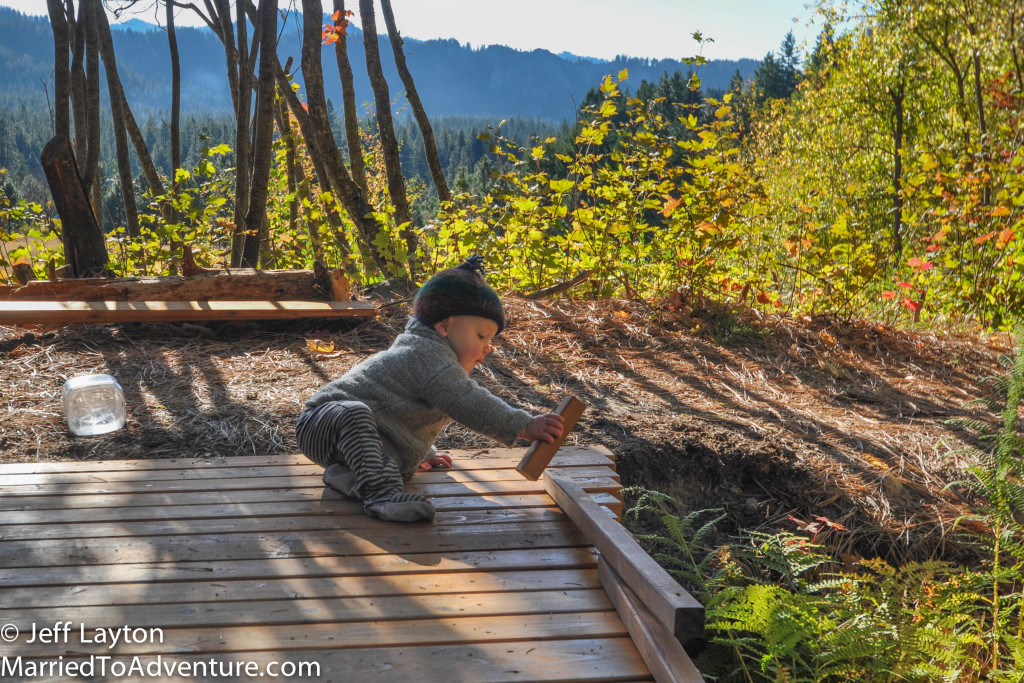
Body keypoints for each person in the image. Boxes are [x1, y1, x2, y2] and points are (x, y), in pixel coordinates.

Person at [296, 256, 564, 523]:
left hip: (355, 445)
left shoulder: (436, 362)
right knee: (355, 414)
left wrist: (419, 451)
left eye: (490, 340)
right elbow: (467, 401)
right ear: (444, 326)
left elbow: (398, 413)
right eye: (481, 336)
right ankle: (382, 496)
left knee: (397, 466)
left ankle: (349, 477)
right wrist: (523, 425)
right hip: (323, 423)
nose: (487, 348)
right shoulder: (424, 354)